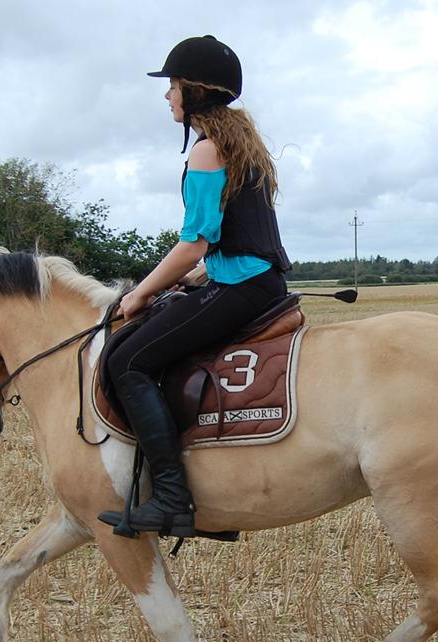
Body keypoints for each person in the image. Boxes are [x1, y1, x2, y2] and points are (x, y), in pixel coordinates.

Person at [99, 35, 292, 538]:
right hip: (252, 279)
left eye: (173, 86)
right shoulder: (240, 146)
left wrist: (140, 294)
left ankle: (171, 500)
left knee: (125, 360)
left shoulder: (208, 151)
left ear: (196, 92)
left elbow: (195, 242)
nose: (167, 96)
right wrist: (195, 278)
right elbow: (230, 243)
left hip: (243, 287)